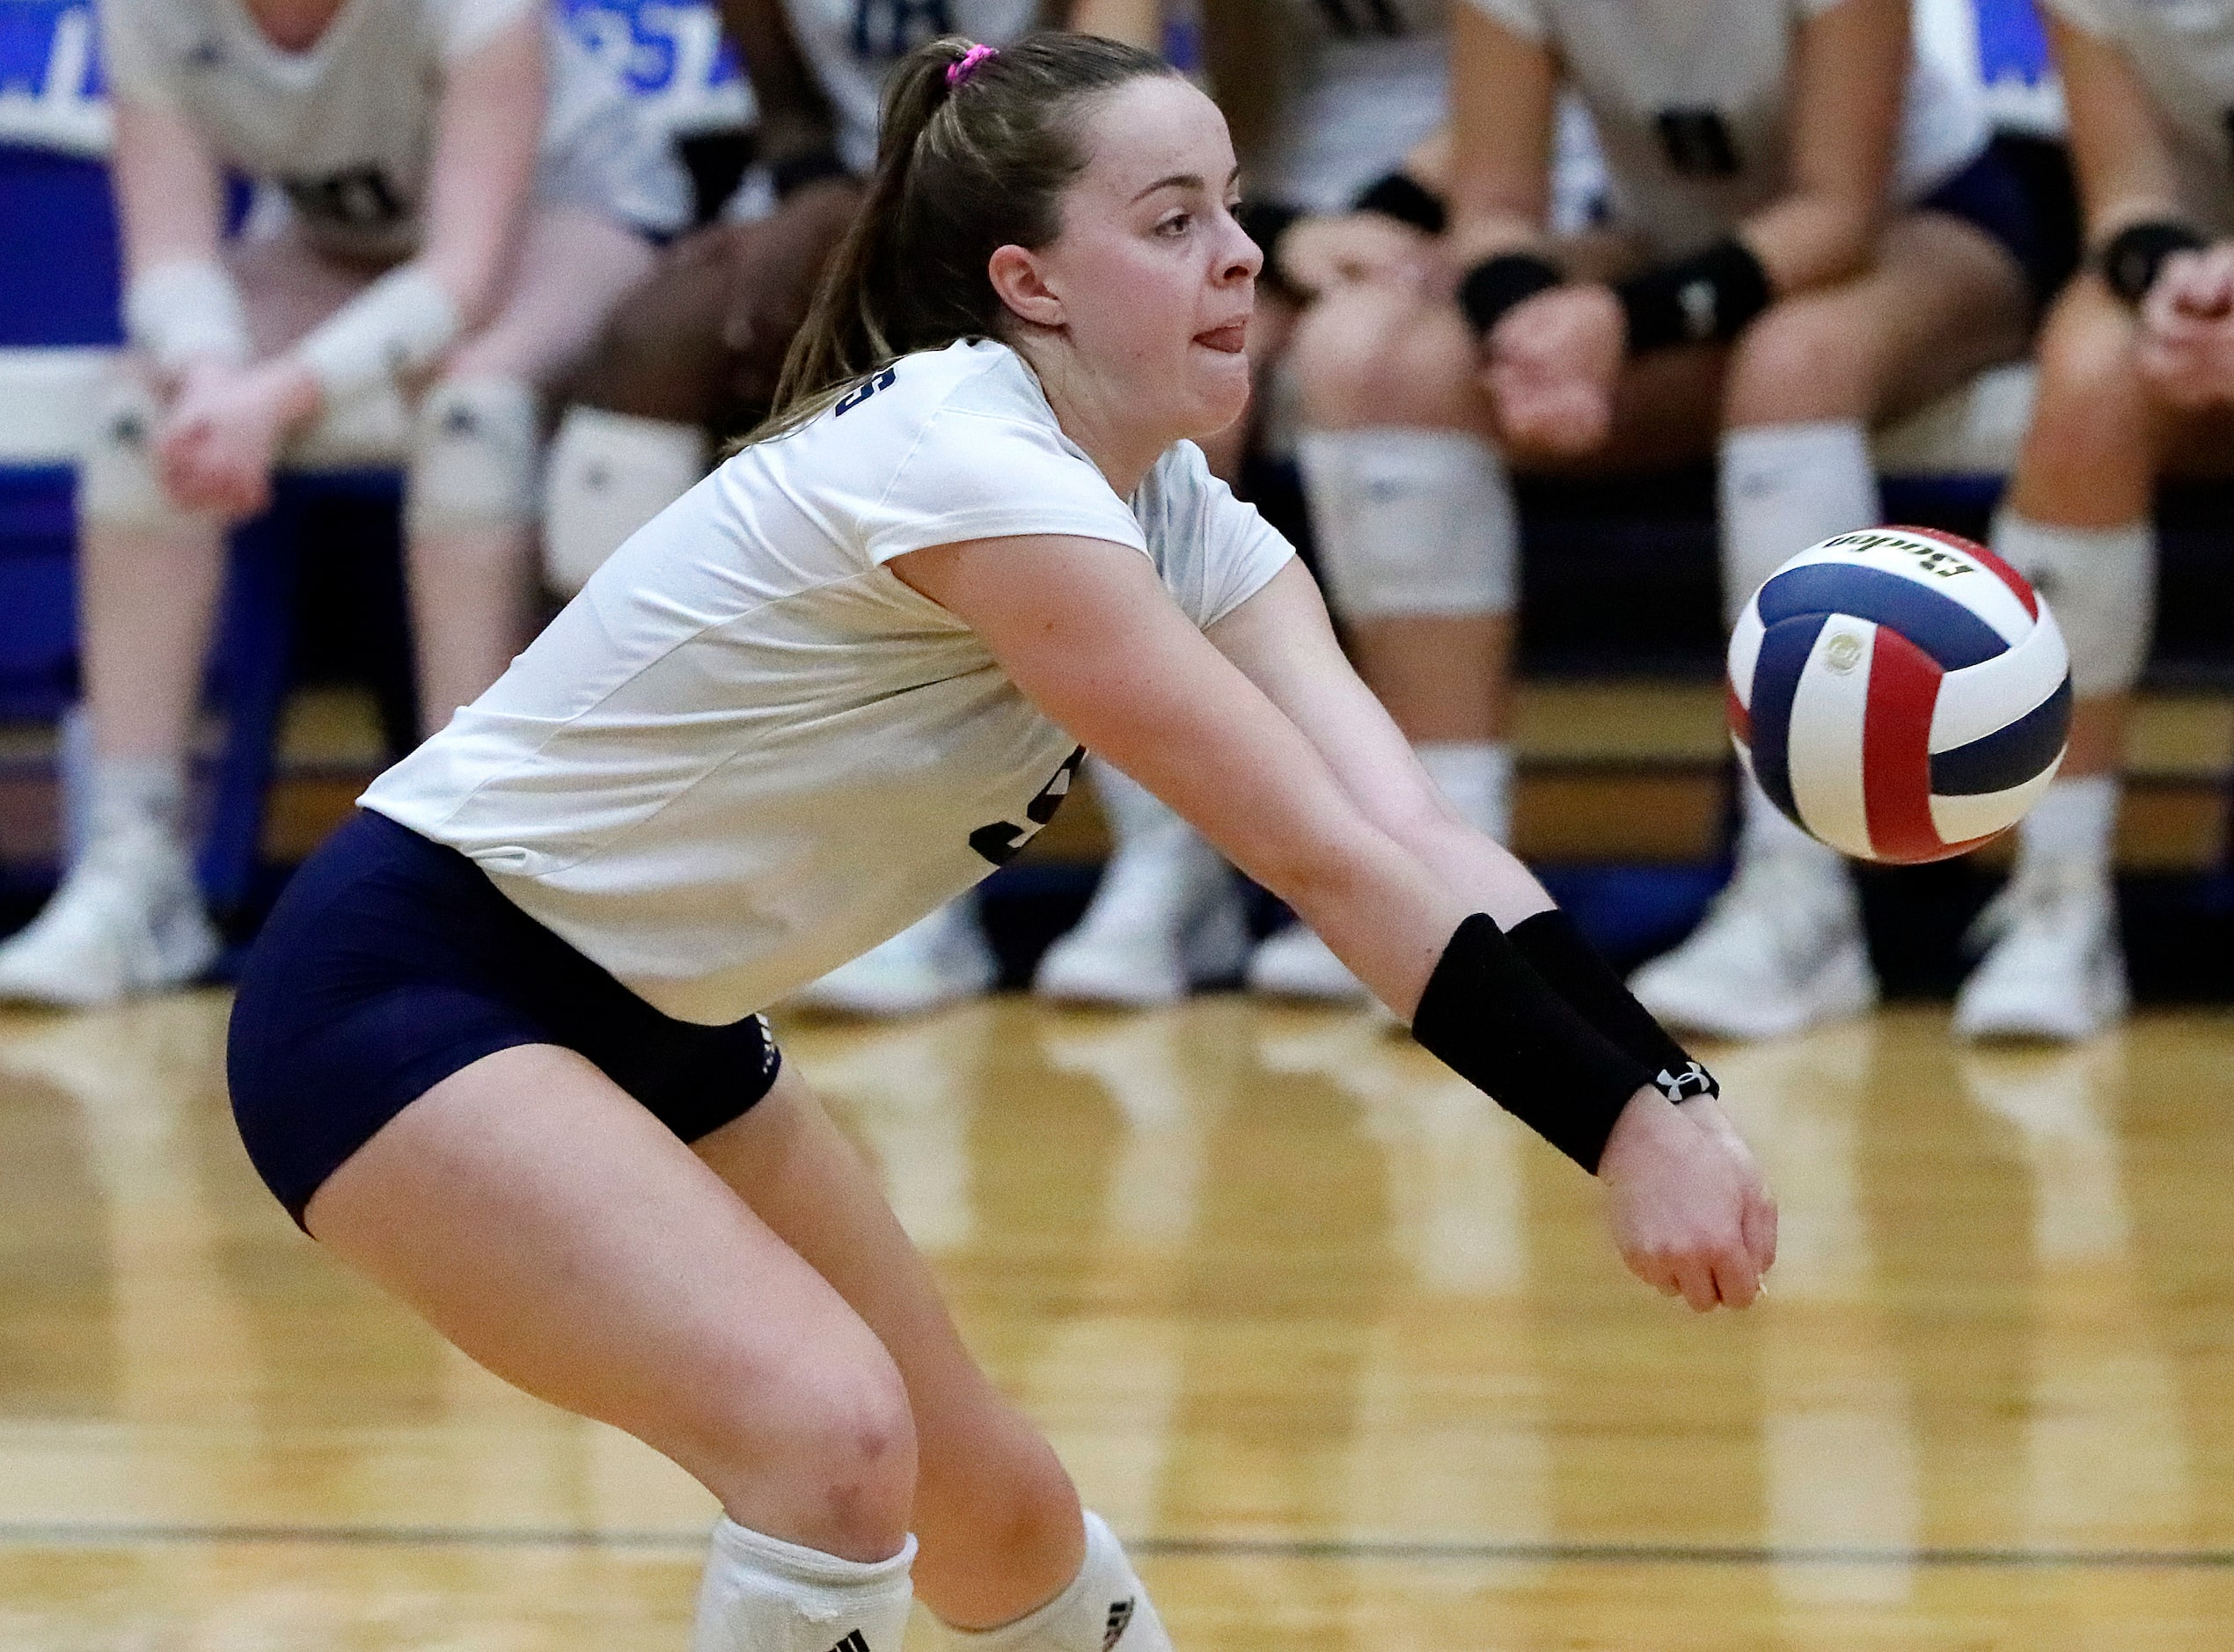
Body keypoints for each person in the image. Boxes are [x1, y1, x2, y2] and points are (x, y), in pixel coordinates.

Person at [225, 35, 1777, 1652]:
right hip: (419, 986)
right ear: (1031, 283)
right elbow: (1321, 857)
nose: (1242, 252)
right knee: (828, 1440)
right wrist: (1610, 1126)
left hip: (665, 1017)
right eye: (1172, 220)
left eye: (1235, 207)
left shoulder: (1185, 517)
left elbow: (1413, 829)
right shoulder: (971, 464)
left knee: (998, 1514)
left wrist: (1660, 1088)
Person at [1283, 0, 2050, 1040]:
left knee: (1793, 364)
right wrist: (1529, 327)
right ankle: (1450, 886)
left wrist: (1624, 320)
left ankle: (1801, 905)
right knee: (1390, 366)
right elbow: (1495, 208)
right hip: (1674, 244)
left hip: (1921, 232)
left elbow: (1835, 212)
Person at [0, 0, 687, 1008]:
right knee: (145, 420)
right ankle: (134, 869)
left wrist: (267, 400)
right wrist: (206, 380)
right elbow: (170, 257)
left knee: (471, 413)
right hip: (339, 251)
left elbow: (460, 278)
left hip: (570, 223)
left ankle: (483, 874)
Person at [543, 0, 1149, 1020]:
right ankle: (634, 836)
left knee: (936, 376)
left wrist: (874, 239)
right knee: (653, 342)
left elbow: (1097, 116)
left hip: (1055, 206)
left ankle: (952, 873)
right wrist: (817, 206)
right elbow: (789, 118)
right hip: (848, 201)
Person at [1035, 0, 1608, 1007]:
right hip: (1257, 190)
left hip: (1503, 183)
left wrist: (1349, 225)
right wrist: (1274, 230)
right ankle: (1172, 854)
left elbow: (1543, 81)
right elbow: (1096, 95)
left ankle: (1429, 853)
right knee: (1139, 385)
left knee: (1367, 356)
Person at [1953, 0, 2234, 1040]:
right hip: (2227, 282)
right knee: (2089, 372)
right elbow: (2126, 194)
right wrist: (2181, 279)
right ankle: (2057, 900)